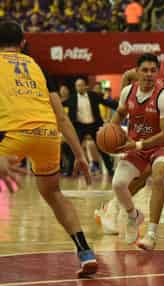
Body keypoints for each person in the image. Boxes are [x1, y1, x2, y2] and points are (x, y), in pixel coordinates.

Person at [0, 20, 97, 277]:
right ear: (22, 43)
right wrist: (79, 154)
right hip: (47, 134)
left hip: (11, 133)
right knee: (53, 193)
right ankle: (85, 252)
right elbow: (62, 118)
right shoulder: (38, 67)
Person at [96, 37, 164, 246]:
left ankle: (149, 231)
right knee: (128, 181)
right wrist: (111, 128)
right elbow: (127, 80)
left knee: (157, 176)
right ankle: (122, 210)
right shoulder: (148, 73)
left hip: (160, 139)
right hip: (139, 137)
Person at [101, 53, 164, 249]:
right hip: (136, 145)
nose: (149, 74)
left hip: (159, 146)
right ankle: (133, 215)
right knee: (118, 184)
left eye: (153, 70)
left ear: (158, 73)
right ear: (137, 71)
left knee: (158, 178)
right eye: (145, 70)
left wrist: (138, 145)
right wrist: (110, 131)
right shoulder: (128, 92)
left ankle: (151, 235)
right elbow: (119, 113)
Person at [62, 78, 118, 176]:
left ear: (85, 86)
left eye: (81, 85)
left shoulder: (94, 96)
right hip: (79, 126)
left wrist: (121, 106)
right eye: (77, 86)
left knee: (102, 147)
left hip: (94, 125)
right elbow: (60, 105)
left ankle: (110, 170)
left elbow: (107, 103)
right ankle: (69, 171)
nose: (79, 87)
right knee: (74, 149)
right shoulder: (72, 98)